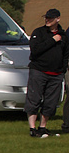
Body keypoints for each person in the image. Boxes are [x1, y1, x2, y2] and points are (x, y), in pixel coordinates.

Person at [26, 8, 66, 138]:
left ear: (58, 19)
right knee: (34, 99)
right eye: (46, 18)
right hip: (38, 71)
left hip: (56, 74)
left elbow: (66, 54)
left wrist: (62, 70)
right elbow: (35, 50)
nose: (47, 20)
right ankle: (32, 128)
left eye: (50, 18)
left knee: (51, 102)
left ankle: (43, 127)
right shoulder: (39, 32)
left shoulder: (63, 36)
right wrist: (53, 40)